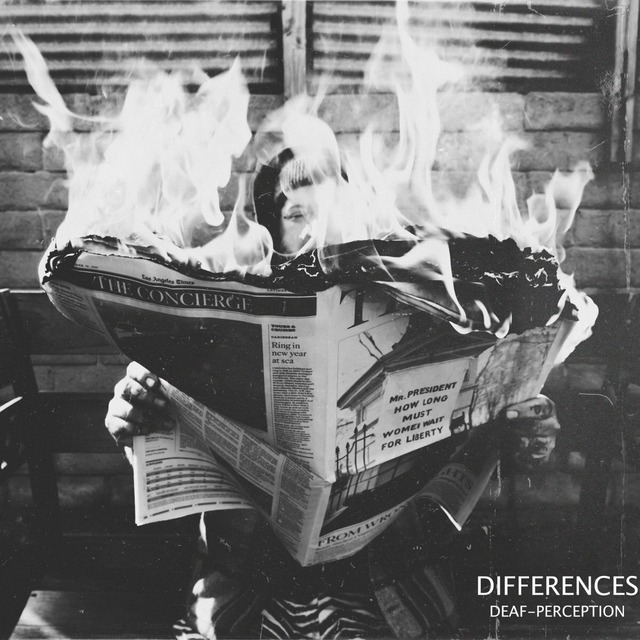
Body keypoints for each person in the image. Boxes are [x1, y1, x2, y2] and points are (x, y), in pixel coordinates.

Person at [105, 149, 562, 639]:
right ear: (273, 234)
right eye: (298, 215)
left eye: (331, 211)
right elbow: (170, 439)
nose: (317, 231)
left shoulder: (430, 315)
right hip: (250, 601)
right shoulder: (220, 321)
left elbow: (492, 436)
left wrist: (527, 433)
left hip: (391, 599)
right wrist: (135, 423)